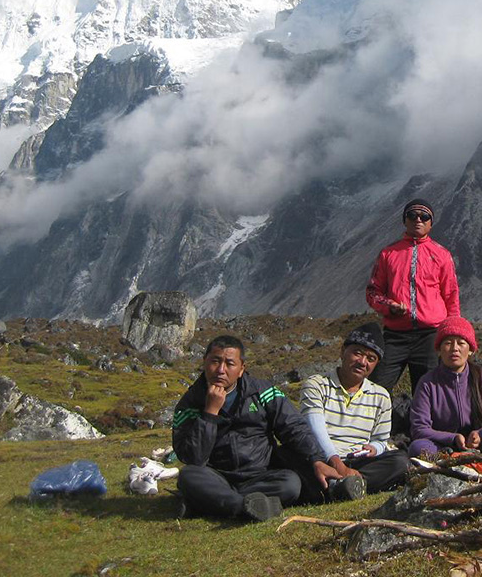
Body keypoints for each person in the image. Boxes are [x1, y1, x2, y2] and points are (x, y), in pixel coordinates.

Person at [172, 335, 343, 521]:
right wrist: (210, 413)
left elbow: (294, 427)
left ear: (241, 369)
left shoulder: (262, 392)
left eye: (229, 363)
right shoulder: (189, 403)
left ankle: (212, 503)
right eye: (215, 361)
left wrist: (317, 460)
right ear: (205, 362)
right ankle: (245, 506)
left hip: (261, 475)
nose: (221, 370)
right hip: (217, 477)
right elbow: (193, 458)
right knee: (188, 476)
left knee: (290, 483)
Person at [297, 322, 409, 498]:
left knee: (400, 462)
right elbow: (314, 430)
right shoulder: (316, 385)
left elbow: (381, 440)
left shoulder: (381, 396)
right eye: (357, 353)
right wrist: (336, 463)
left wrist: (375, 448)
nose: (362, 362)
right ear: (343, 351)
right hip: (320, 459)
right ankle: (346, 486)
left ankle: (341, 487)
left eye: (371, 359)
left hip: (357, 461)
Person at [366, 199, 460, 393]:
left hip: (430, 335)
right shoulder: (388, 254)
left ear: (430, 223)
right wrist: (388, 306)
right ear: (405, 221)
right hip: (395, 334)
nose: (418, 219)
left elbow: (451, 295)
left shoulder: (442, 255)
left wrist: (452, 333)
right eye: (412, 215)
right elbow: (373, 292)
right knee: (375, 389)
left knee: (430, 394)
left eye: (424, 216)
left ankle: (422, 425)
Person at [408, 315, 482, 457]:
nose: (454, 349)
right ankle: (450, 456)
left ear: (470, 350)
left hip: (480, 443)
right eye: (448, 343)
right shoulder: (427, 383)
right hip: (443, 446)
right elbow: (419, 428)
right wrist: (452, 438)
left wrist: (481, 434)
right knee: (418, 447)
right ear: (439, 349)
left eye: (461, 343)